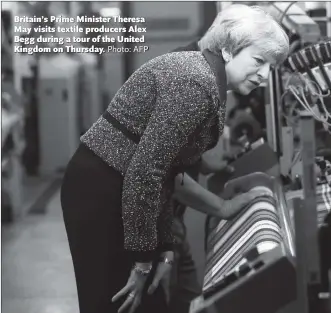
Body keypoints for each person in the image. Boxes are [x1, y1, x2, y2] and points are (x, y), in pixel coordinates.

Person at [60, 4, 289, 313]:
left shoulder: (206, 78)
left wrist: (164, 249)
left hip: (121, 188)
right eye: (259, 61)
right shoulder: (195, 83)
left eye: (271, 67)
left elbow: (166, 171)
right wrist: (143, 261)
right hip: (101, 191)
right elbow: (145, 172)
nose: (264, 74)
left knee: (147, 301)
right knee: (119, 301)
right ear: (227, 50)